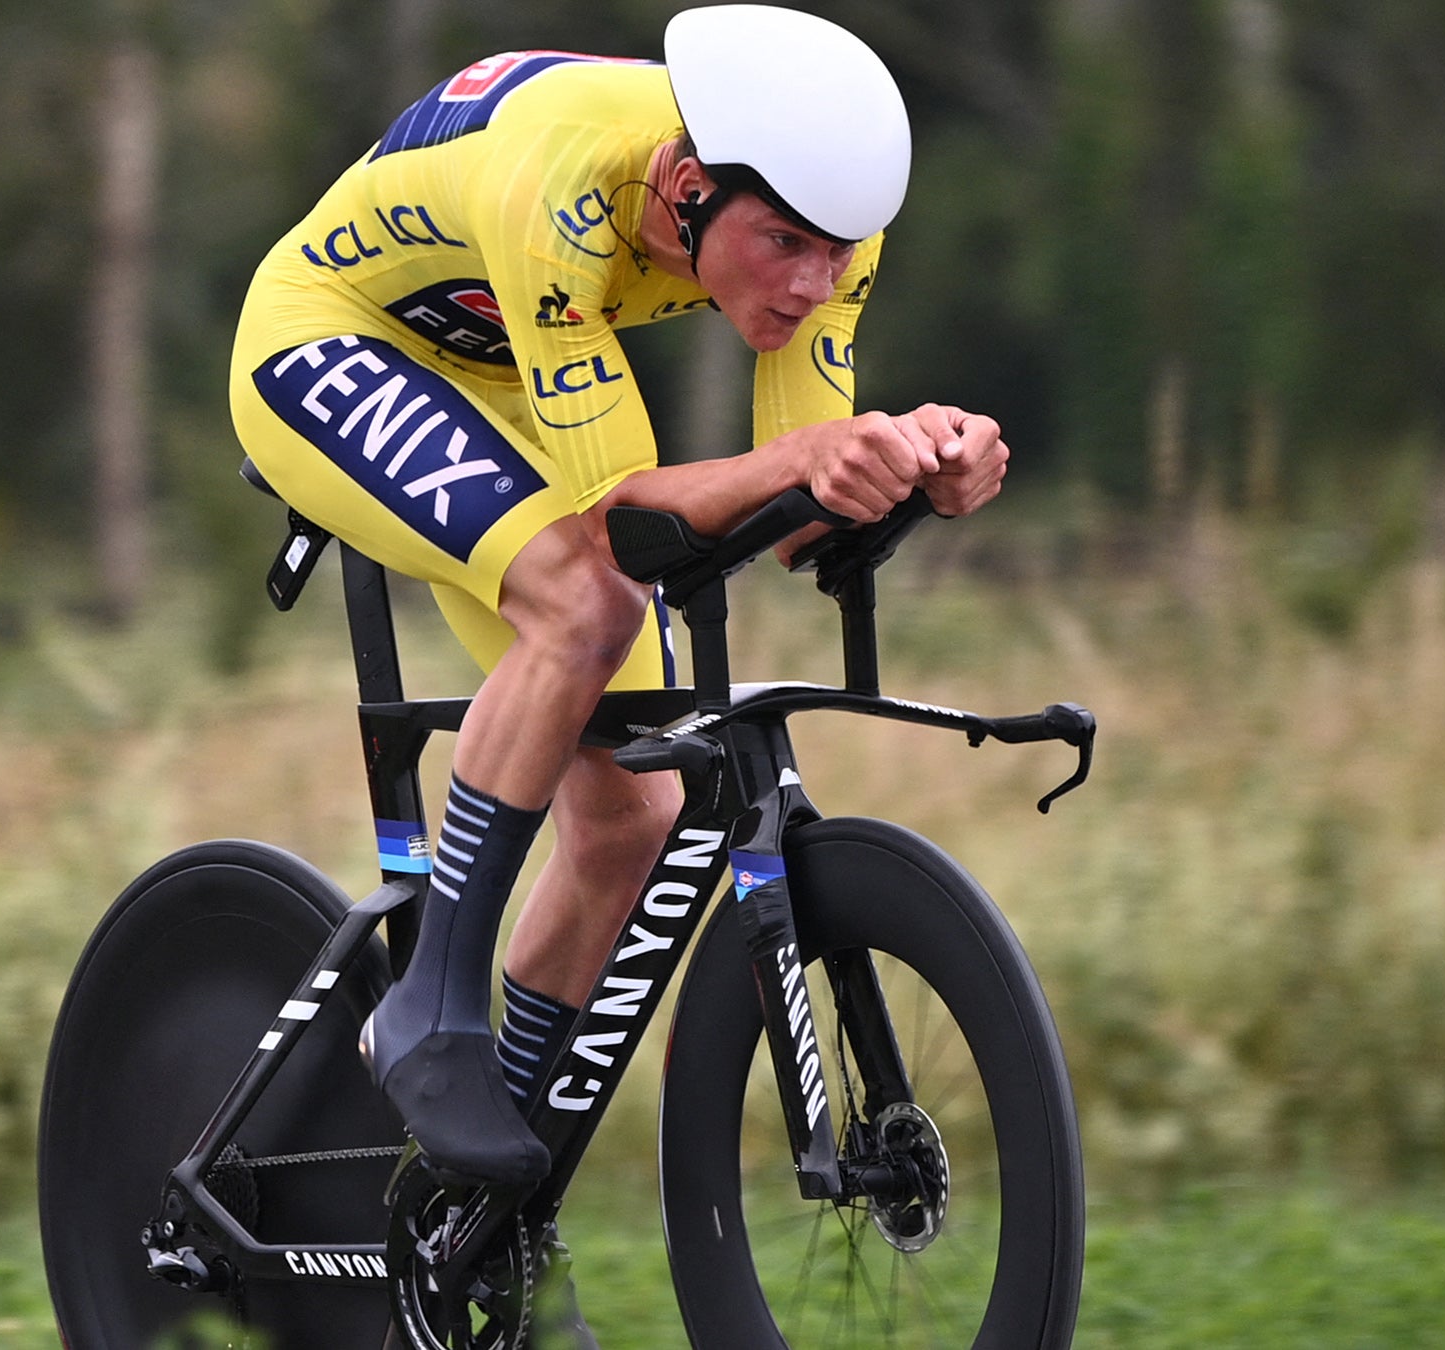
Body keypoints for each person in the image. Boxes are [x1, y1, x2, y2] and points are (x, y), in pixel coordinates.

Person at [229, 5, 1008, 1196]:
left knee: (630, 819)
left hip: (498, 374)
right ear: (689, 187)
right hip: (330, 340)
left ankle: (488, 1218)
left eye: (837, 253)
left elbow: (793, 516)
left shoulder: (837, 238)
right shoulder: (568, 181)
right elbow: (618, 535)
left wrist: (915, 469)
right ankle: (431, 998)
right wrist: (816, 462)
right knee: (586, 604)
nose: (815, 283)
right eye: (786, 244)